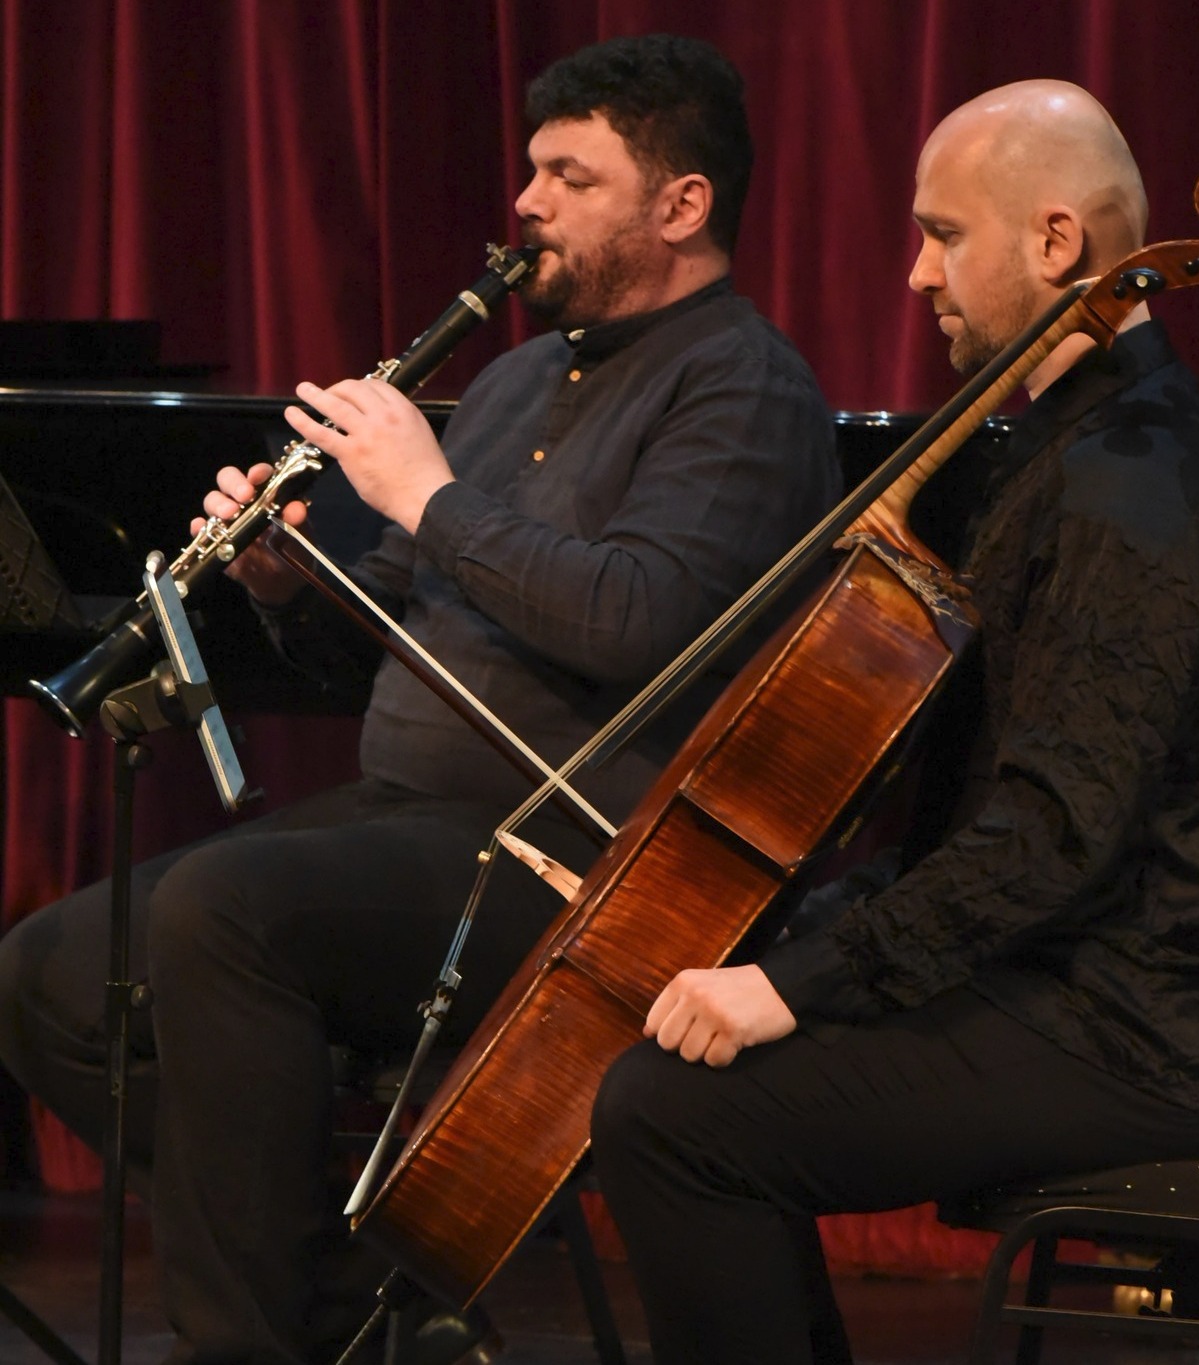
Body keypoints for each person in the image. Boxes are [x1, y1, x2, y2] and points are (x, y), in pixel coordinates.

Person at [0, 33, 840, 1365]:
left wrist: (429, 497)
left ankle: (261, 1336)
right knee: (46, 973)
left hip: (576, 860)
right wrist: (286, 576)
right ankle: (350, 1301)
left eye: (570, 177)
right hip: (405, 816)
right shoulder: (513, 380)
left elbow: (640, 619)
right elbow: (384, 644)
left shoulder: (743, 385)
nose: (527, 203)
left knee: (224, 913)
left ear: (680, 205)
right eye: (531, 171)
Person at [589, 78, 1199, 1365]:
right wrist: (797, 937)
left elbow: (1048, 839)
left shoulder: (1135, 486)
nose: (918, 274)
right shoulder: (1067, 452)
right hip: (1056, 985)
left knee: (670, 1118)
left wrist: (795, 986)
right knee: (673, 1075)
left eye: (944, 235)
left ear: (1057, 242)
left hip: (1135, 1028)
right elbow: (979, 815)